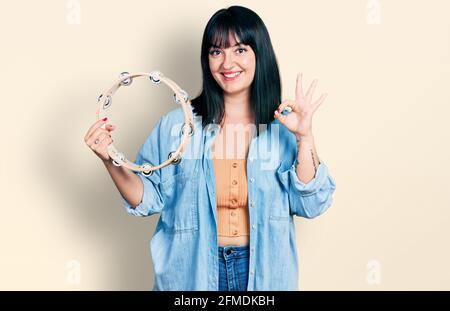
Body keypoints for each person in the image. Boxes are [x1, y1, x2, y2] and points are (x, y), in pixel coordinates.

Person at [84, 5, 336, 291]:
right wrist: (109, 160)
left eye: (239, 50)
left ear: (259, 54)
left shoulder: (282, 128)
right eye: (216, 51)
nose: (227, 63)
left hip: (263, 274)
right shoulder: (176, 126)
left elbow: (312, 204)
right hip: (191, 274)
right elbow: (148, 199)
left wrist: (305, 136)